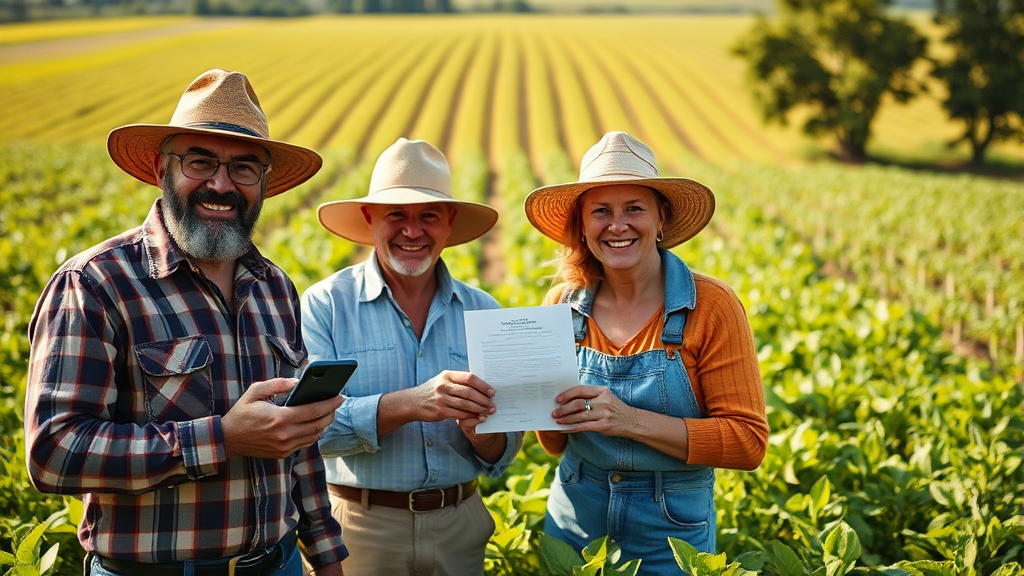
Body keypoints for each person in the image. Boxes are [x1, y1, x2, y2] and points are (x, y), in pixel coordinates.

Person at [23, 69, 348, 576]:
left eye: (243, 169)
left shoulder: (274, 287)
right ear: (160, 169)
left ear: (263, 184)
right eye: (200, 162)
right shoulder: (97, 284)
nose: (221, 184)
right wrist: (221, 438)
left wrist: (326, 555)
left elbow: (297, 444)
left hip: (277, 564)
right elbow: (52, 451)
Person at [524, 131, 768, 574]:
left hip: (671, 531)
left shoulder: (710, 306)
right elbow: (555, 445)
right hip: (576, 516)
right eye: (601, 211)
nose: (617, 226)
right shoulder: (562, 304)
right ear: (582, 225)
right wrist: (526, 399)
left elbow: (747, 443)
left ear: (662, 220)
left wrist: (629, 420)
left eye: (634, 209)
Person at [301, 138, 524, 576]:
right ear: (370, 219)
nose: (412, 231)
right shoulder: (325, 305)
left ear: (449, 224)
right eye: (396, 215)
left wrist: (483, 434)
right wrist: (410, 404)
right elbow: (309, 431)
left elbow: (504, 452)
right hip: (359, 528)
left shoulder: (485, 311)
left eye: (428, 217)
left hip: (461, 524)